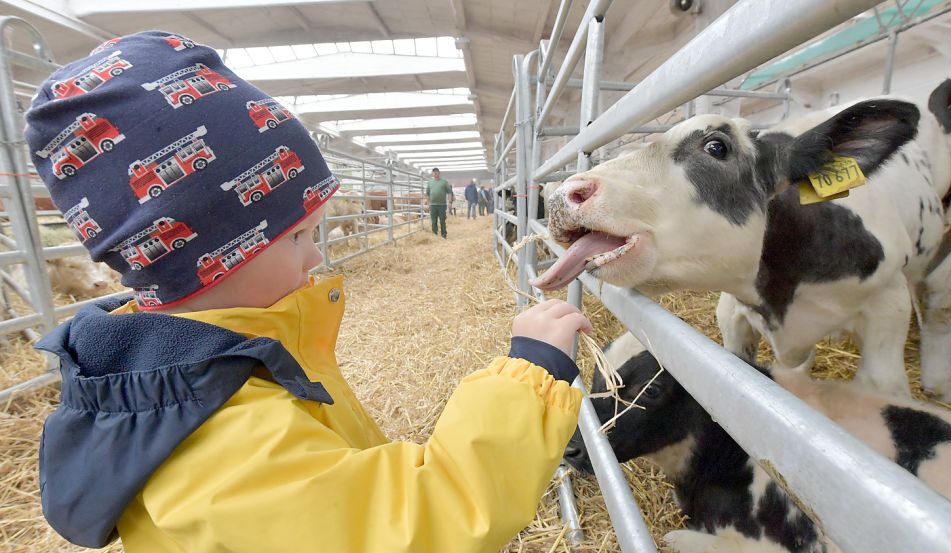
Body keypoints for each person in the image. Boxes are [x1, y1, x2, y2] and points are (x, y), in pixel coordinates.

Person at [27, 32, 589, 553]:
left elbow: (347, 498)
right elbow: (420, 521)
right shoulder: (218, 446)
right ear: (215, 256)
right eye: (298, 236)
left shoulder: (215, 360)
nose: (318, 256)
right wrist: (530, 377)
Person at [425, 167, 452, 238]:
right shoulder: (430, 182)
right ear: (432, 173)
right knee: (434, 221)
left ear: (439, 173)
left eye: (436, 172)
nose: (435, 173)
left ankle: (443, 235)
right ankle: (435, 235)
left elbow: (449, 192)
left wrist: (450, 202)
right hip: (433, 205)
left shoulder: (444, 181)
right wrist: (428, 203)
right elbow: (427, 193)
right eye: (434, 172)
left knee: (442, 220)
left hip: (442, 205)